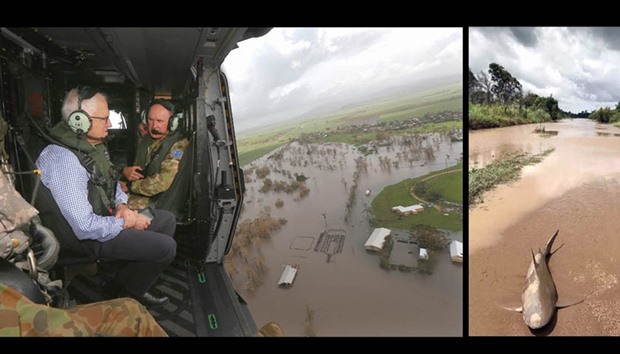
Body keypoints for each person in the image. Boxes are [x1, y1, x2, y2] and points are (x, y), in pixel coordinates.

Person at [35, 86, 176, 308]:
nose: (109, 124)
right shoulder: (65, 161)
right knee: (166, 248)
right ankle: (126, 294)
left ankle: (120, 280)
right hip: (85, 239)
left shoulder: (91, 147)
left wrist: (121, 205)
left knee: (167, 220)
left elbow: (109, 181)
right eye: (104, 119)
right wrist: (126, 221)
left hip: (104, 216)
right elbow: (83, 227)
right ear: (80, 121)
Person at [120, 99, 190, 212]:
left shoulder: (178, 146)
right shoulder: (147, 140)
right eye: (150, 120)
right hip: (142, 192)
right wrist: (125, 173)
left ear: (172, 122)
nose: (154, 126)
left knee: (119, 209)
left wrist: (130, 187)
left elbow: (162, 182)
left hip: (160, 201)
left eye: (160, 121)